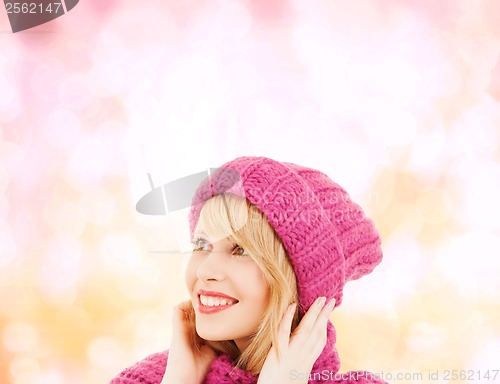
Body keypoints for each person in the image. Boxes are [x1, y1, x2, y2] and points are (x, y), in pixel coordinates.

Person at [110, 156, 388, 384]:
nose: (206, 270)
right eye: (201, 244)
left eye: (240, 250)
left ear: (301, 283)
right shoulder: (149, 379)